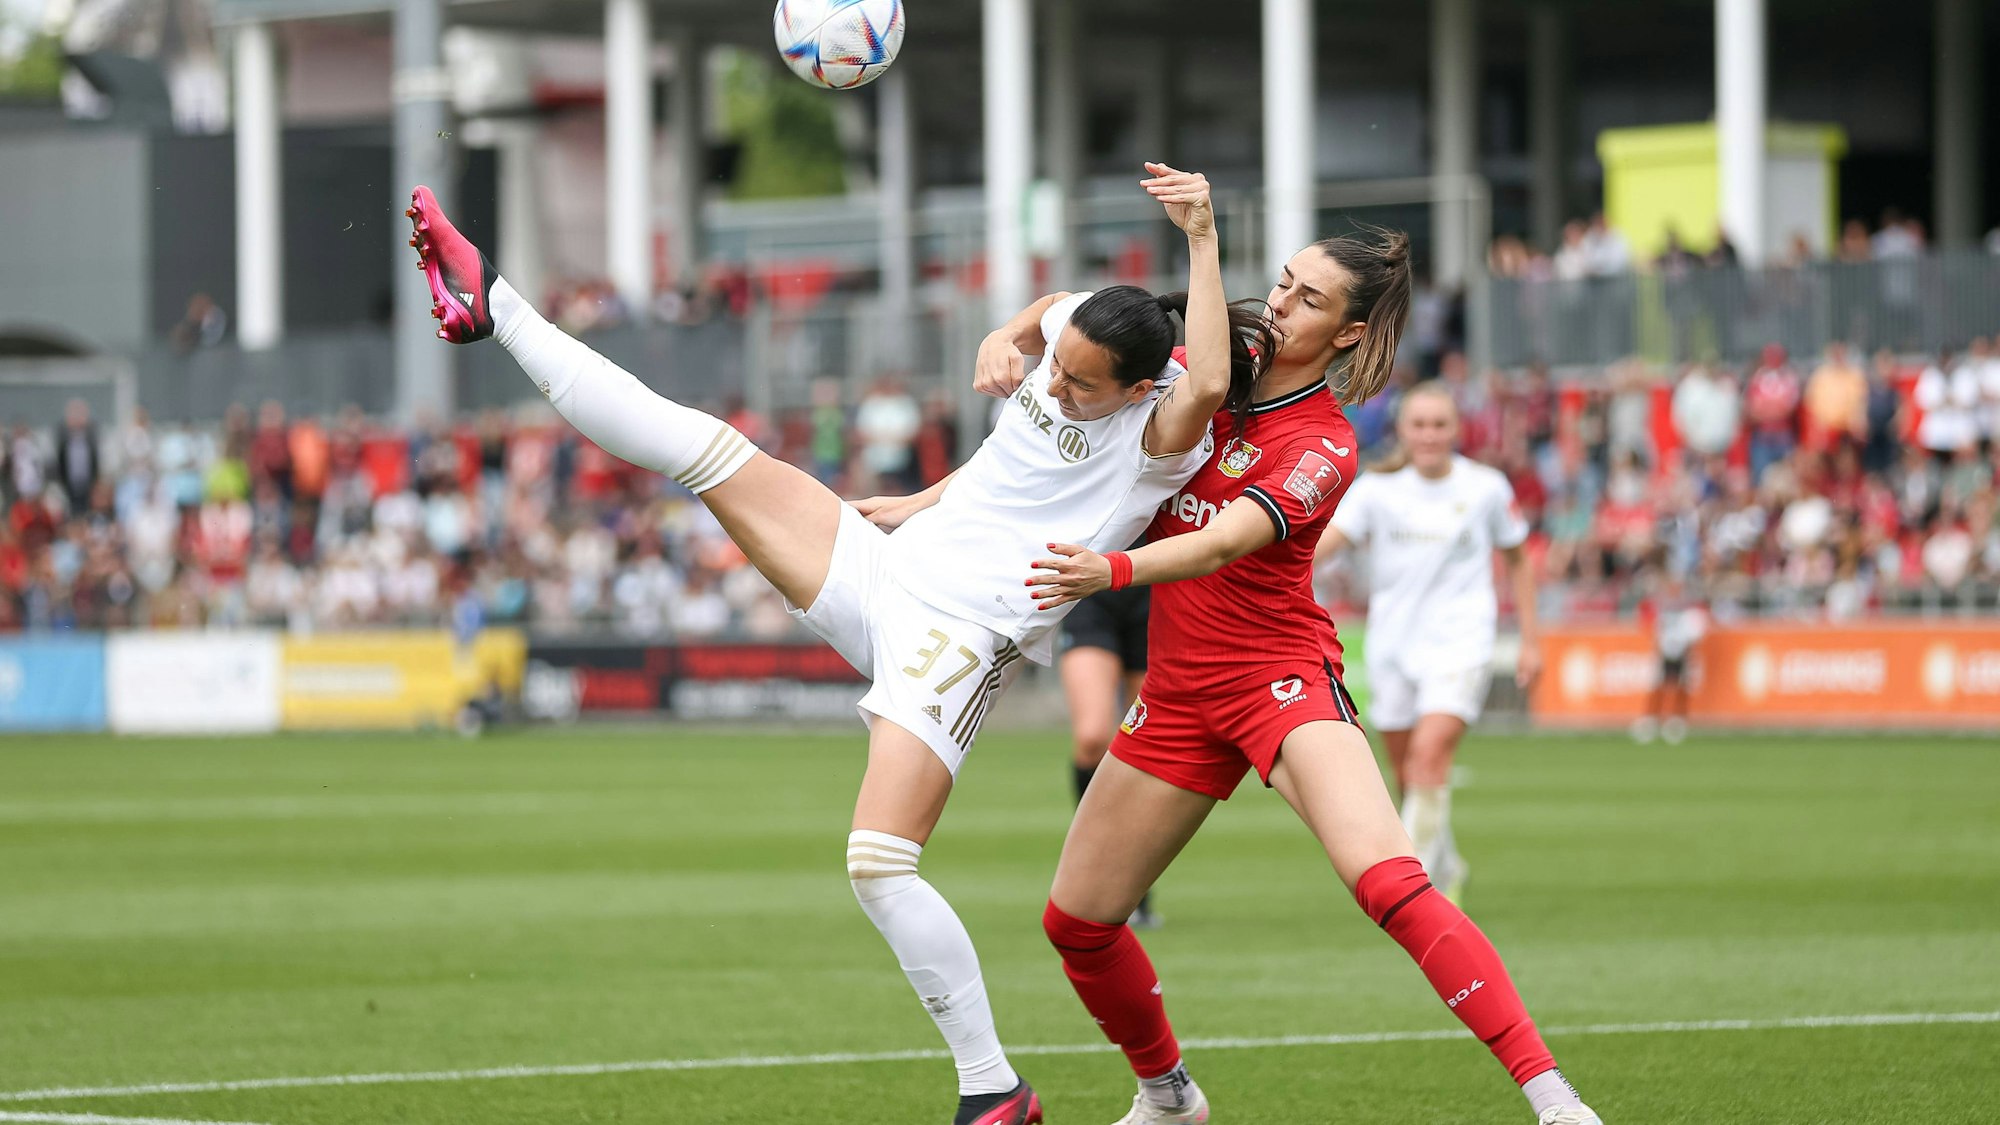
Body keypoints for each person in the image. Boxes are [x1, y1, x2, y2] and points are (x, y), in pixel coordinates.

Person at [405, 164, 1253, 1125]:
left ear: (1140, 388)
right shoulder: (1075, 334)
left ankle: (994, 1089)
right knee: (704, 447)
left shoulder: (1163, 425)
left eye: (1080, 384)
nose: (1058, 383)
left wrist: (1201, 234)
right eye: (1059, 366)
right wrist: (1003, 337)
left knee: (879, 864)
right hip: (888, 567)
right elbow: (1054, 312)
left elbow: (1214, 376)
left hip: (963, 634)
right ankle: (498, 304)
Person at [1020, 229, 1602, 1125]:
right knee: (1078, 922)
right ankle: (1169, 1094)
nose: (1281, 303)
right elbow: (1086, 331)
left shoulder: (1326, 444)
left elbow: (1221, 543)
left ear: (1347, 335)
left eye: (1308, 300)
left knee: (1391, 884)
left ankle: (1555, 1099)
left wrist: (1114, 572)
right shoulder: (1201, 372)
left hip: (1276, 679)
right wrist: (1011, 334)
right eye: (1285, 284)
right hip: (1178, 692)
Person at [1312, 382, 1539, 902]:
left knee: (1430, 759)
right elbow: (1321, 549)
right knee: (1408, 775)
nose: (1430, 435)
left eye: (1440, 424)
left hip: (1461, 641)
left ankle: (1413, 894)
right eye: (1420, 425)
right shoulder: (1377, 490)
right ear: (1403, 430)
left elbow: (1519, 559)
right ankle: (1448, 865)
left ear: (1457, 429)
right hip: (1393, 644)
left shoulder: (1486, 488)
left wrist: (1531, 640)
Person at [1055, 551, 1159, 929]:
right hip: (1091, 583)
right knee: (1093, 736)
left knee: (1147, 746)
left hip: (1157, 577)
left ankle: (1134, 888)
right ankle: (1095, 875)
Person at [1633, 573, 1707, 745]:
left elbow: (1694, 633)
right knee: (1658, 685)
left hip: (1681, 653)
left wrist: (1686, 648)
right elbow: (1653, 627)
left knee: (1680, 686)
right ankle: (1651, 719)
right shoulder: (1664, 606)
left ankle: (1677, 720)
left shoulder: (1689, 611)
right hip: (1665, 651)